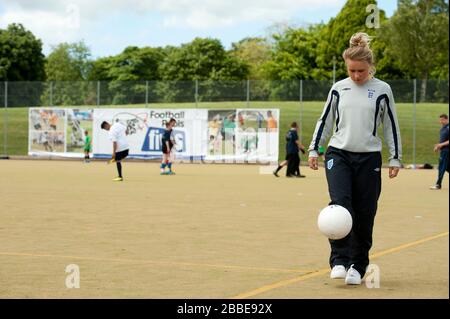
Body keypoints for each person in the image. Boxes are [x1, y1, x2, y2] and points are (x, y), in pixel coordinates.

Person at [308, 33, 402, 285]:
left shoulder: (383, 90)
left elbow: (391, 126)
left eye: (361, 71)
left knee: (364, 212)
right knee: (340, 204)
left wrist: (395, 158)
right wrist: (314, 149)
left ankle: (357, 266)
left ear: (370, 68)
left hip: (369, 159)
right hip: (338, 154)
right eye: (352, 71)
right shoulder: (339, 88)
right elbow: (325, 120)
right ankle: (338, 260)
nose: (356, 76)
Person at [430, 114, 449, 190]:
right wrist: (437, 147)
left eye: (442, 120)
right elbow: (442, 140)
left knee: (441, 167)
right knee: (447, 167)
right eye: (440, 120)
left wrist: (441, 145)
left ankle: (438, 185)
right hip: (443, 150)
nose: (440, 121)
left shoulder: (448, 128)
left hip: (446, 151)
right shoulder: (442, 129)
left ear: (446, 119)